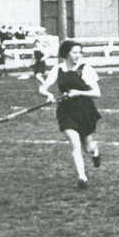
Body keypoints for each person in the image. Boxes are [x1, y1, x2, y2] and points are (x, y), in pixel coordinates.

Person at [38, 40, 102, 188]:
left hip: (85, 110)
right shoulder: (57, 69)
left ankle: (95, 151)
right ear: (67, 53)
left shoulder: (85, 69)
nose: (78, 55)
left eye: (80, 52)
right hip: (66, 111)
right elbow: (43, 88)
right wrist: (47, 95)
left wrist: (78, 92)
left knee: (87, 147)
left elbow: (97, 93)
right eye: (74, 52)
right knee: (74, 143)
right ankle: (82, 177)